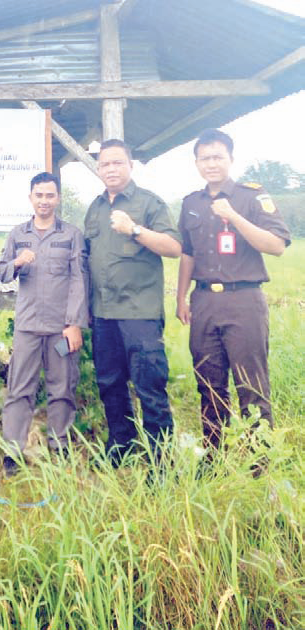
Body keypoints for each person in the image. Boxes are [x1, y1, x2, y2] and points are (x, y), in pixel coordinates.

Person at [176, 128, 291, 461]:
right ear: (196, 163)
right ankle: (214, 459)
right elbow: (188, 253)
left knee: (251, 385)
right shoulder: (191, 203)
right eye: (204, 158)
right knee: (209, 384)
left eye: (217, 157)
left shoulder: (251, 197)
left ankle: (259, 462)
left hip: (244, 301)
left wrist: (234, 216)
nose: (211, 164)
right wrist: (181, 297)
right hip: (204, 302)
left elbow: (277, 246)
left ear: (230, 159)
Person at [84, 139, 181, 466]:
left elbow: (172, 247)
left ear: (130, 165)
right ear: (98, 169)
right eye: (105, 164)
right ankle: (121, 446)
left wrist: (134, 229)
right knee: (110, 384)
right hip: (104, 314)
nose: (111, 169)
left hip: (140, 315)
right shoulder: (95, 207)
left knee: (149, 388)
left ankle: (162, 462)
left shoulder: (149, 204)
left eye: (117, 163)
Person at [0, 172, 89, 475]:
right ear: (31, 198)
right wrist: (18, 262)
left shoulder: (71, 235)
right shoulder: (17, 234)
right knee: (20, 388)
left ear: (58, 198)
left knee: (61, 386)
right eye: (39, 195)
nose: (44, 201)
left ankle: (59, 446)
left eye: (50, 195)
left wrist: (75, 323)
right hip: (27, 328)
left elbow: (78, 279)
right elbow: (2, 273)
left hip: (61, 330)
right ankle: (13, 452)